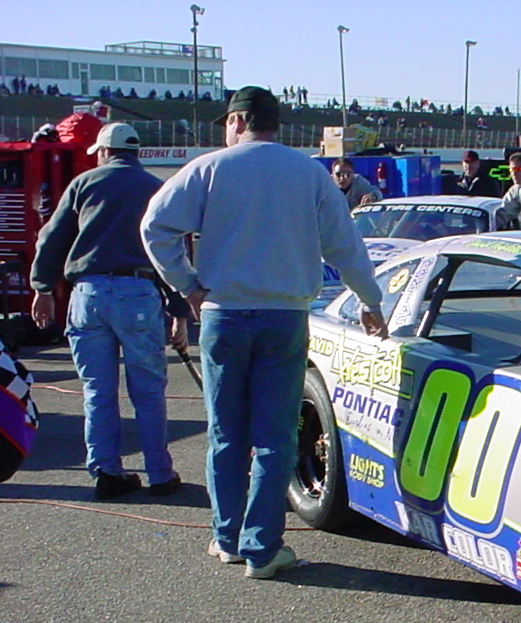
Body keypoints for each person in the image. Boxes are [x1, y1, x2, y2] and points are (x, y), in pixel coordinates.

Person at [141, 86, 385, 579]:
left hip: (223, 313)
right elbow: (345, 244)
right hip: (284, 314)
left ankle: (227, 538)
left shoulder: (208, 168)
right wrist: (370, 301)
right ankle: (263, 548)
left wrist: (188, 285)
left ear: (236, 121)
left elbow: (155, 227)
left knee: (225, 433)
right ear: (276, 124)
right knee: (275, 438)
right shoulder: (308, 173)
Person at [30, 121, 182, 500]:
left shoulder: (84, 184)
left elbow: (52, 237)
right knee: (148, 392)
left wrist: (43, 288)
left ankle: (107, 472)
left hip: (89, 293)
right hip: (139, 292)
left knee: (98, 391)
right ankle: (160, 474)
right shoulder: (155, 187)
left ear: (102, 151)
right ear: (136, 151)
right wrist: (179, 310)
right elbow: (172, 251)